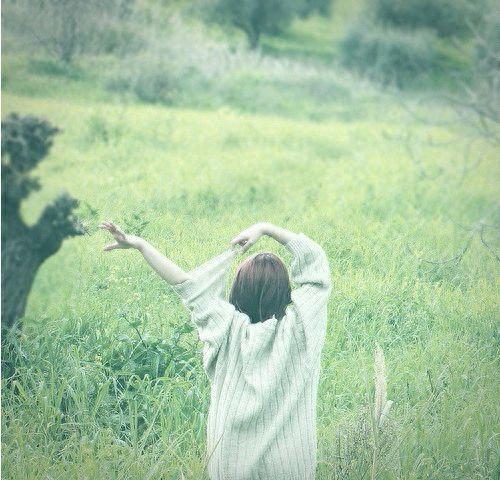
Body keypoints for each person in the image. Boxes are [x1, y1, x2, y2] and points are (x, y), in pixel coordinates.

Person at [100, 221, 331, 480]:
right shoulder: (301, 327)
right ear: (284, 292)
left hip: (231, 462)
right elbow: (316, 264)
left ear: (239, 290)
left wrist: (141, 245)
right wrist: (266, 228)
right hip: (289, 465)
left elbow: (185, 284)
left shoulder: (226, 327)